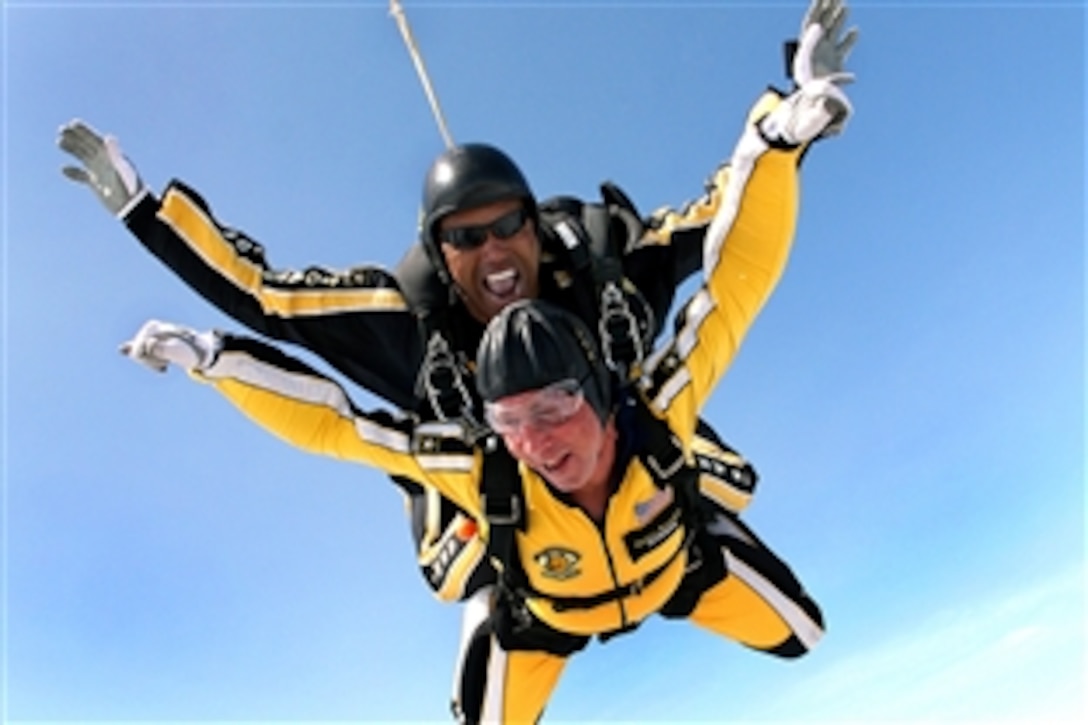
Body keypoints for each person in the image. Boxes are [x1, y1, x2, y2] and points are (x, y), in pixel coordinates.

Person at [55, 0, 856, 608]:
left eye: (509, 224)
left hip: (621, 458)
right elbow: (270, 298)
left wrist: (789, 123)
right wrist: (145, 215)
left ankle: (674, 548)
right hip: (488, 498)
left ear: (538, 226)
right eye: (465, 240)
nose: (494, 250)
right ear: (440, 257)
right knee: (465, 568)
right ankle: (518, 611)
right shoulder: (413, 329)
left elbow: (723, 227)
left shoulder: (605, 269)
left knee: (727, 480)